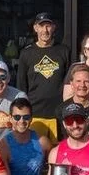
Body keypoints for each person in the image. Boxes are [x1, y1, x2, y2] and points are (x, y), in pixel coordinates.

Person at [16, 12, 71, 143]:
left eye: (48, 26)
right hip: (35, 114)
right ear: (35, 28)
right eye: (41, 26)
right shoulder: (26, 53)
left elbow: (70, 82)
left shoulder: (64, 51)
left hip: (59, 113)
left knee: (58, 151)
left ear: (54, 27)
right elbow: (21, 85)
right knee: (36, 150)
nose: (45, 30)